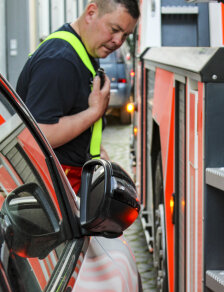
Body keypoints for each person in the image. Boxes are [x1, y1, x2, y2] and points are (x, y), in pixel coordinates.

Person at [16, 0, 139, 193]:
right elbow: (40, 134)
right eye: (114, 29)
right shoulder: (59, 60)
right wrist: (94, 112)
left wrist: (99, 155)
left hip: (66, 182)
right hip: (54, 188)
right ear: (91, 13)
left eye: (125, 35)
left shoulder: (83, 50)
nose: (118, 41)